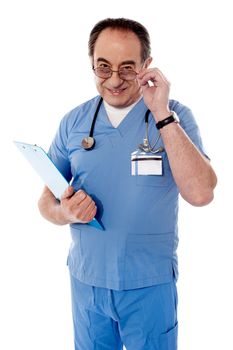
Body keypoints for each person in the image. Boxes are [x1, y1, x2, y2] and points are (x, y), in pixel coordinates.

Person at [38, 18, 217, 350]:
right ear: (91, 64)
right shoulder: (74, 122)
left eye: (127, 68)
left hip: (149, 287)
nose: (115, 80)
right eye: (103, 68)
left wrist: (161, 113)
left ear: (147, 66)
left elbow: (201, 193)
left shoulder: (175, 117)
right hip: (86, 284)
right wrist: (66, 212)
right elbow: (46, 201)